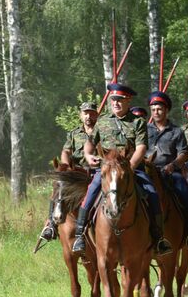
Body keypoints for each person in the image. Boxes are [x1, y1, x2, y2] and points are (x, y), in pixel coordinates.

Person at [71, 83, 173, 256]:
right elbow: (90, 143)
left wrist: (130, 167)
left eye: (120, 100)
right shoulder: (102, 121)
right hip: (106, 171)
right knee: (90, 194)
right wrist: (88, 156)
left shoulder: (137, 122)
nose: (116, 103)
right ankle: (80, 235)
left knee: (153, 194)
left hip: (133, 170)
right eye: (114, 100)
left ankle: (158, 238)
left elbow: (141, 148)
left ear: (128, 101)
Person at [38, 102, 98, 244]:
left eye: (91, 113)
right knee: (58, 187)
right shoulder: (74, 133)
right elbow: (66, 151)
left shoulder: (102, 131)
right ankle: (51, 225)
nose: (88, 116)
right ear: (81, 115)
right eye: (85, 113)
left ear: (96, 114)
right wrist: (65, 165)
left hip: (96, 171)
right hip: (76, 172)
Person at [147, 91, 188, 248]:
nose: (156, 112)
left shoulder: (176, 131)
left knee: (186, 193)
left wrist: (173, 165)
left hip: (169, 173)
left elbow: (184, 153)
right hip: (148, 172)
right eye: (154, 109)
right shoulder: (144, 130)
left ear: (167, 110)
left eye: (160, 109)